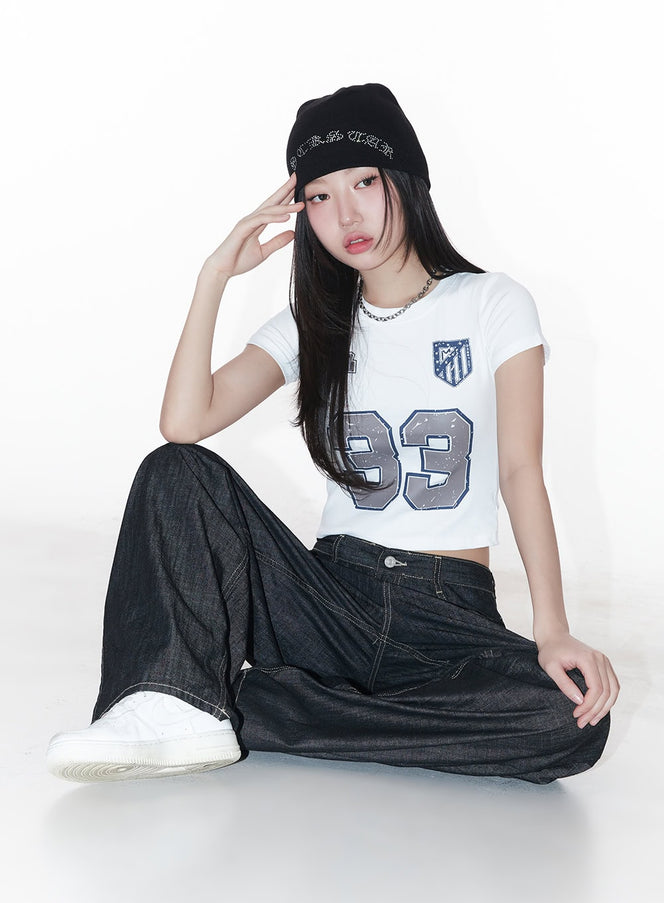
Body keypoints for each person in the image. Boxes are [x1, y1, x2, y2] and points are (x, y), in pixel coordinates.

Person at [46, 83, 619, 785]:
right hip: (327, 601)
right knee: (175, 469)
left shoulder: (492, 302)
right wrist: (213, 276)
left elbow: (520, 470)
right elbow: (185, 423)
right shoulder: (309, 323)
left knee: (568, 717)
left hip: (446, 612)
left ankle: (232, 702)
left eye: (364, 182)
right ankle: (184, 703)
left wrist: (551, 627)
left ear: (405, 178)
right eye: (319, 195)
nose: (346, 214)